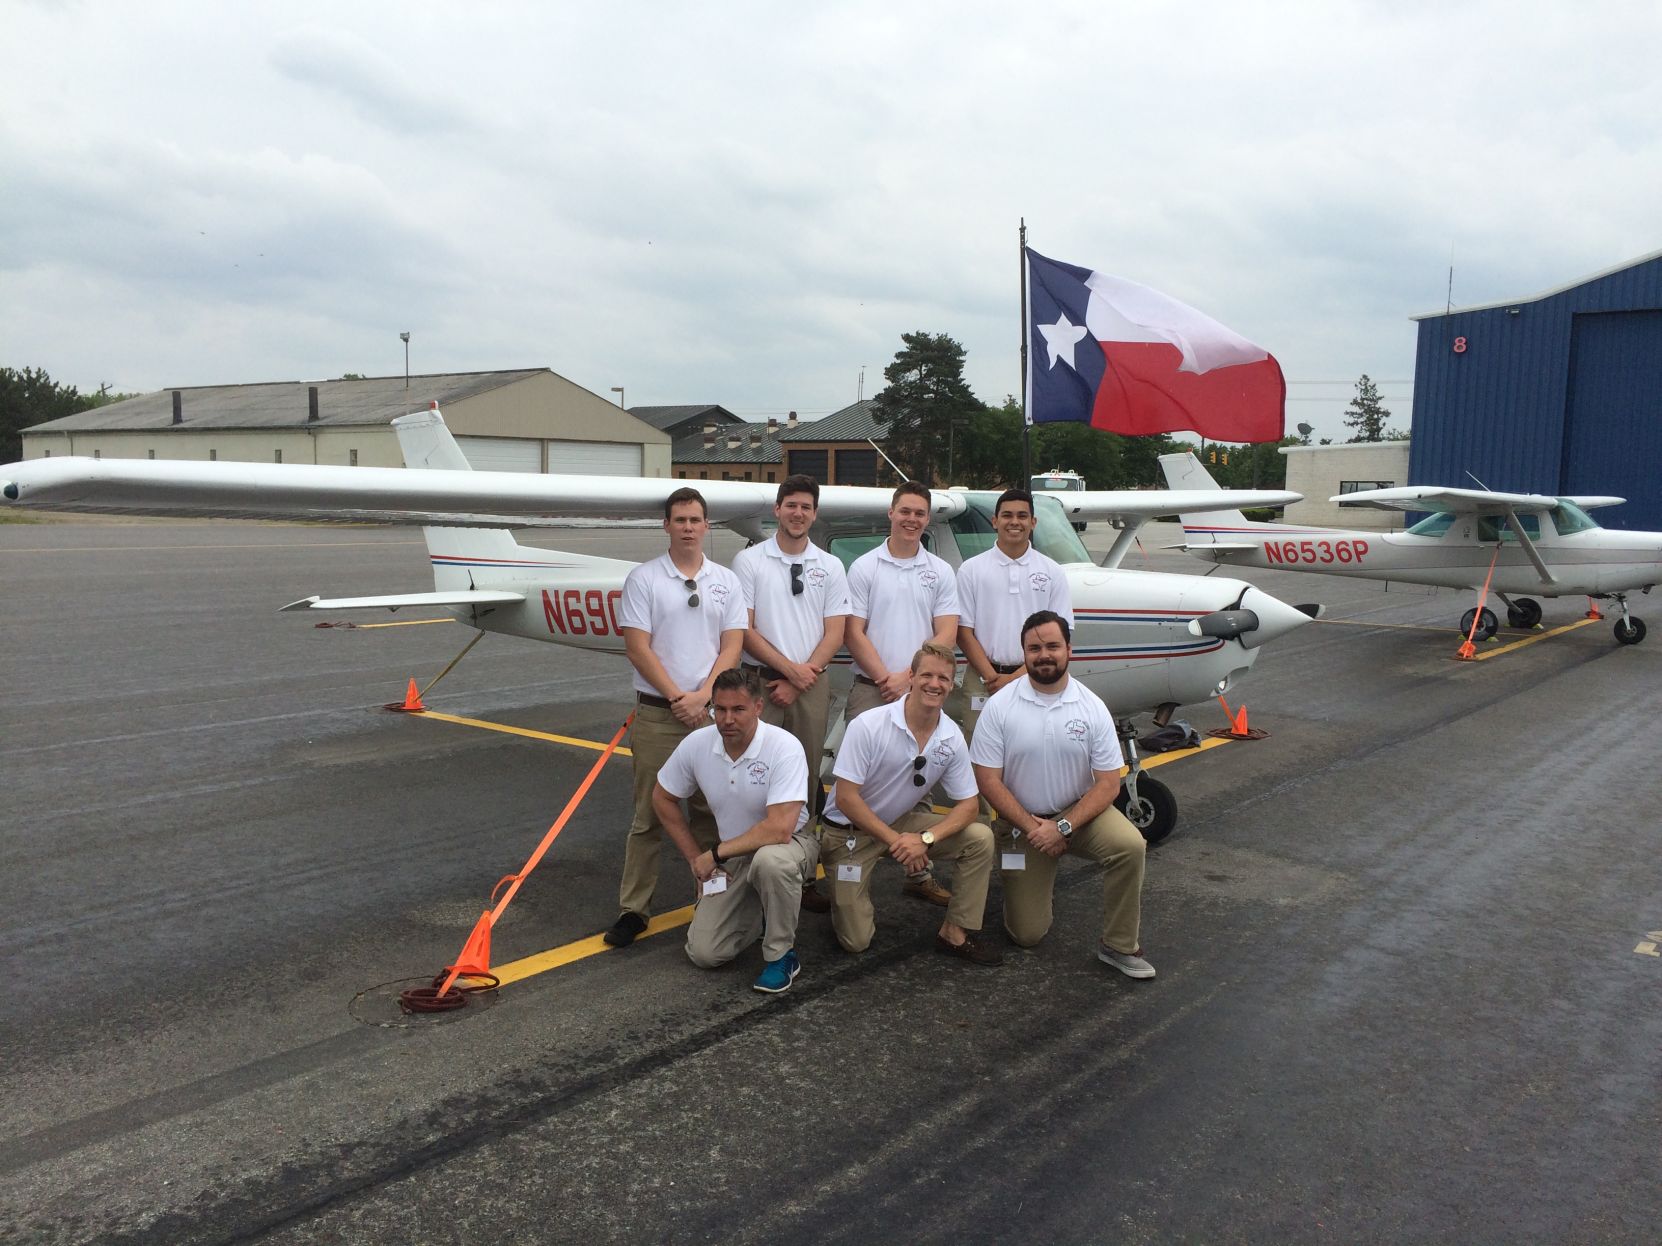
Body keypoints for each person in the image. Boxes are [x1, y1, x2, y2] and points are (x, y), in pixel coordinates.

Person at [969, 610, 1154, 979]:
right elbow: (987, 780)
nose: (1044, 654)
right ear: (1024, 653)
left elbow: (1108, 784)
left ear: (1069, 649)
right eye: (1034, 647)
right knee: (1026, 935)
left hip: (1080, 814)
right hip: (1022, 823)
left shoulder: (1092, 707)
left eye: (1053, 645)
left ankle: (1119, 945)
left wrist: (1063, 827)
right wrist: (1036, 828)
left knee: (1130, 846)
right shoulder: (1000, 707)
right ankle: (1029, 888)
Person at [604, 486, 746, 948]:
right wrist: (676, 697)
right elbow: (637, 647)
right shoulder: (644, 579)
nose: (688, 527)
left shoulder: (726, 580)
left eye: (695, 520)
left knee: (711, 815)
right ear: (666, 525)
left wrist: (704, 696)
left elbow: (732, 645)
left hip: (709, 716)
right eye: (680, 520)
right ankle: (634, 909)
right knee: (648, 815)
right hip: (659, 716)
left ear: (707, 526)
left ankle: (712, 899)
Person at [819, 643, 1000, 964]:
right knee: (856, 941)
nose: (935, 684)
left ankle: (955, 932)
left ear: (951, 684)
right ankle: (844, 894)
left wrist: (925, 840)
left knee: (980, 837)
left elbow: (969, 805)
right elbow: (846, 798)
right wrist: (901, 844)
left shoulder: (950, 736)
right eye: (927, 675)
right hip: (850, 833)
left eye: (943, 678)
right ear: (912, 678)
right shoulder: (869, 724)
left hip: (900, 825)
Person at [653, 667, 817, 993]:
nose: (728, 719)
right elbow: (662, 798)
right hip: (736, 851)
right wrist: (694, 860)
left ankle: (781, 955)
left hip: (790, 844)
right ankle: (757, 914)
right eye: (720, 709)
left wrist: (713, 855)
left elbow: (780, 829)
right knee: (705, 953)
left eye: (738, 709)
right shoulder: (698, 743)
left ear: (758, 707)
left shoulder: (784, 746)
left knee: (771, 863)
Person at [732, 474, 851, 912]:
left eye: (806, 507)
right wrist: (788, 673)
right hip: (762, 682)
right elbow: (745, 628)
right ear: (777, 510)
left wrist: (805, 675)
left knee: (803, 778)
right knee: (756, 776)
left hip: (810, 683)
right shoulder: (751, 562)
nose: (798, 513)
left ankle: (801, 871)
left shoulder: (830, 566)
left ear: (814, 514)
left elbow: (835, 630)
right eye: (790, 505)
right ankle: (748, 866)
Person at [845, 480, 960, 907]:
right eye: (904, 511)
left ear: (927, 519)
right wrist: (887, 679)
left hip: (921, 690)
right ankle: (851, 862)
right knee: (858, 780)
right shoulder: (864, 568)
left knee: (921, 782)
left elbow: (946, 631)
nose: (911, 519)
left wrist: (911, 680)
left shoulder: (940, 571)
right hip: (872, 689)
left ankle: (919, 871)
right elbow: (853, 632)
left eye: (919, 513)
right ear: (891, 514)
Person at [952, 488, 1074, 741]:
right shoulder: (971, 570)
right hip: (982, 677)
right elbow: (963, 631)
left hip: (1036, 673)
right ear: (995, 522)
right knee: (979, 742)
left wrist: (1015, 678)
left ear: (1033, 522)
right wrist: (992, 676)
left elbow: (1062, 632)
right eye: (1007, 515)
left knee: (1034, 740)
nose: (1015, 522)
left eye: (1022, 515)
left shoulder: (1052, 571)